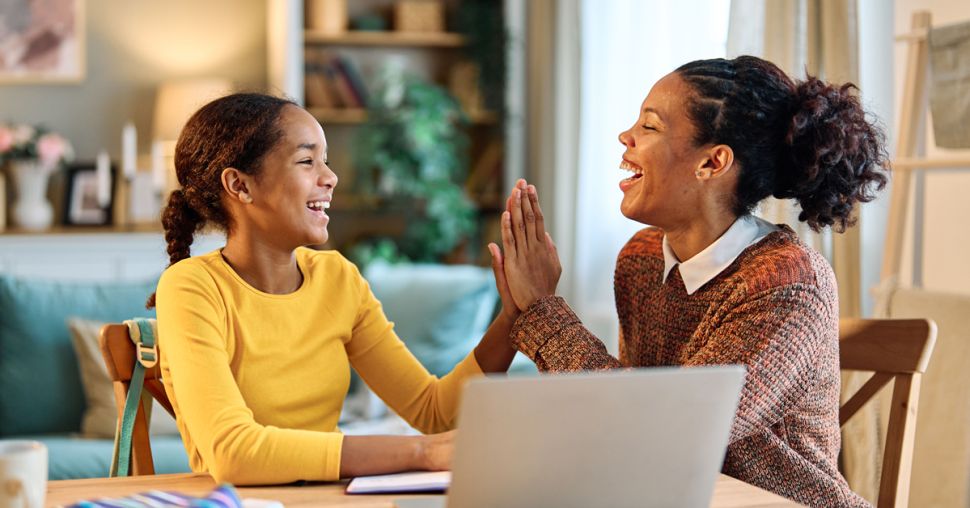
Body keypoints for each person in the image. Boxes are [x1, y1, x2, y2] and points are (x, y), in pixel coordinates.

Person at [489, 56, 888, 507]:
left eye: (650, 127)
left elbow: (666, 433)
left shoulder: (789, 285)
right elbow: (632, 425)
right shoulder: (639, 260)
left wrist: (543, 313)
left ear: (712, 162)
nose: (626, 137)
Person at [148, 93, 519, 485]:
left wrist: (513, 317)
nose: (330, 177)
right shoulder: (191, 288)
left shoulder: (338, 278)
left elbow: (434, 411)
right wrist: (421, 452)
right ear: (239, 185)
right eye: (307, 161)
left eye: (326, 160)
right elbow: (234, 453)